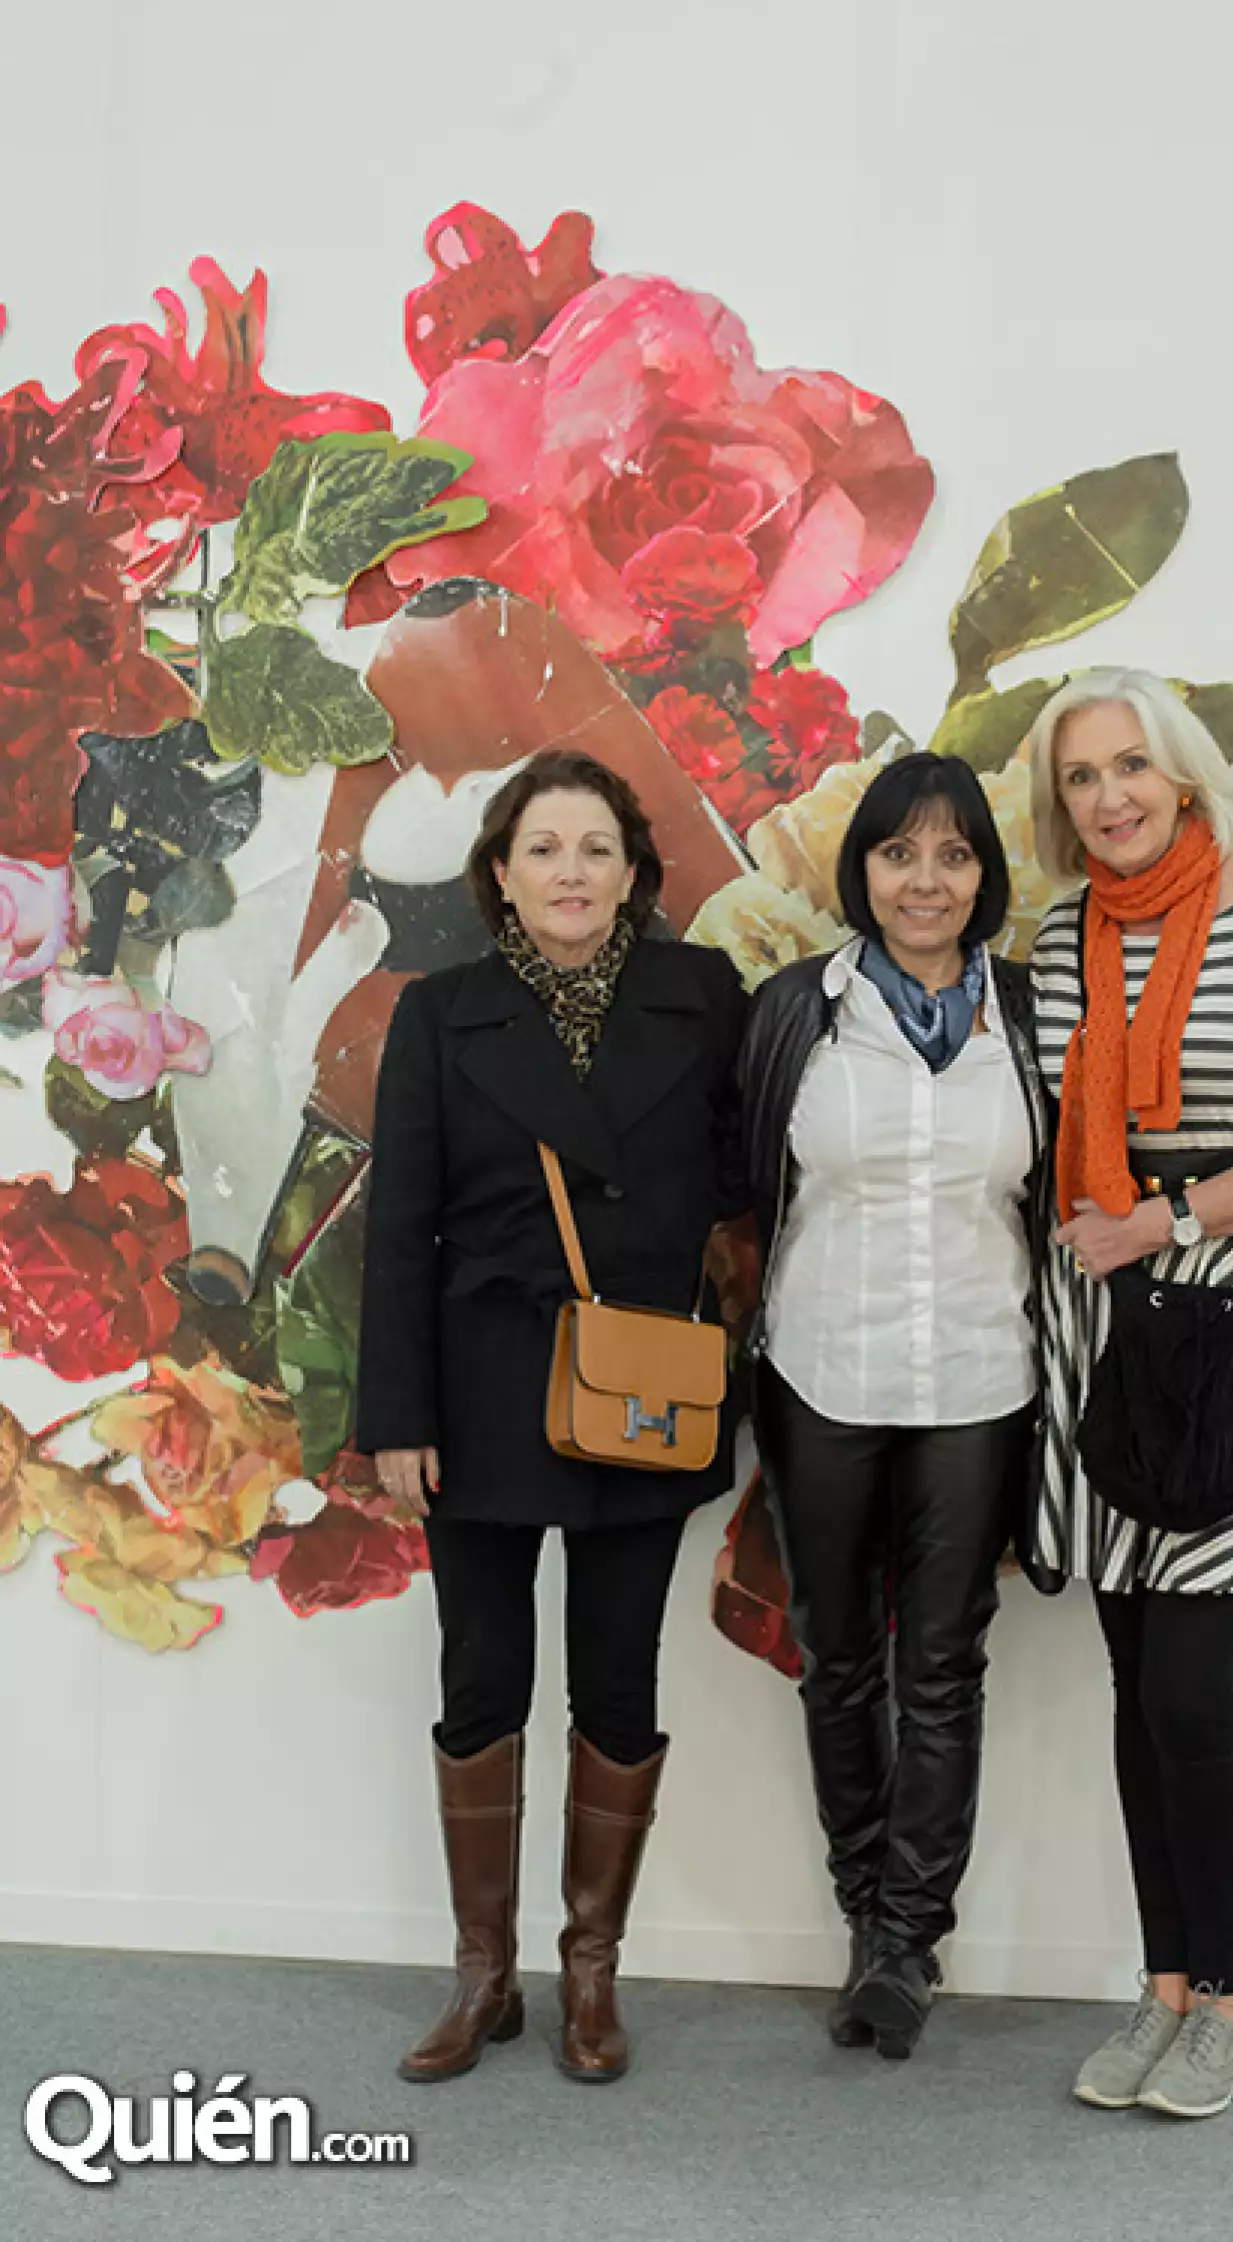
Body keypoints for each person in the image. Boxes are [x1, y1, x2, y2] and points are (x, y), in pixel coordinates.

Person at [353, 748, 745, 2087]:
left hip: (640, 1384)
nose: (570, 871)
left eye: (596, 847)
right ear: (501, 876)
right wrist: (396, 1413)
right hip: (480, 1391)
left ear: (635, 872)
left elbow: (747, 1183)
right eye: (543, 847)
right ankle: (482, 1975)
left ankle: (589, 1973)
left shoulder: (702, 997)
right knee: (480, 1681)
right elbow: (398, 1225)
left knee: (620, 1680)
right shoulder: (441, 1011)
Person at [1022, 666, 1233, 2120]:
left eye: (1130, 766)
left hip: (1223, 1326)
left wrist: (1169, 1219)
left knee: (1190, 1686)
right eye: (1082, 776)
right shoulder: (1058, 937)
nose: (1109, 796)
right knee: (1129, 1686)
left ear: (1182, 772)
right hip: (1098, 1333)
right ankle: (1164, 1984)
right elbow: (1048, 1126)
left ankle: (1227, 2001)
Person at [740, 752, 1051, 2062]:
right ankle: (868, 1909)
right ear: (858, 868)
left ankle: (909, 1939)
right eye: (898, 853)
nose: (926, 880)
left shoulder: (1031, 1014)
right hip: (822, 1370)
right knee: (839, 1657)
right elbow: (743, 1180)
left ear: (984, 874)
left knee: (944, 1663)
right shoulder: (792, 1012)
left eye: (954, 855)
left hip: (981, 1377)